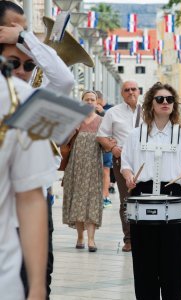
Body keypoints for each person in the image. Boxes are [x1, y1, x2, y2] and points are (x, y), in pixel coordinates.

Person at [0, 2, 74, 298]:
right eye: (12, 63)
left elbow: (65, 80)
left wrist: (23, 39)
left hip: (26, 221)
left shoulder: (32, 100)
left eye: (29, 65)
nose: (22, 71)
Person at [121, 82, 181, 300]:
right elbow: (126, 163)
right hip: (142, 193)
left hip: (172, 193)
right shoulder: (136, 134)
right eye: (160, 99)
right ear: (151, 104)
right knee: (144, 258)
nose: (165, 103)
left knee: (174, 258)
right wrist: (128, 176)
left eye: (169, 99)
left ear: (174, 105)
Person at [0, 66, 57, 299]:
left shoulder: (21, 98)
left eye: (27, 64)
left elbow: (31, 199)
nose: (21, 70)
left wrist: (36, 289)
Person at [97, 81, 142, 252]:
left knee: (145, 198)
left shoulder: (148, 110)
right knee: (126, 200)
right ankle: (129, 238)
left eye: (134, 89)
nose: (131, 92)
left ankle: (144, 236)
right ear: (122, 93)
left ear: (139, 91)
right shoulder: (113, 112)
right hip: (122, 161)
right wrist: (113, 148)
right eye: (127, 90)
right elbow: (101, 136)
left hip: (146, 161)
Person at [63, 90, 103, 252]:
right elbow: (63, 141)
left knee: (92, 200)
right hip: (76, 166)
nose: (89, 102)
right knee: (78, 200)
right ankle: (80, 237)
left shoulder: (102, 121)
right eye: (86, 99)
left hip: (93, 167)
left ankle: (91, 240)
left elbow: (106, 144)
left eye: (92, 99)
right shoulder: (75, 120)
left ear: (96, 102)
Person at [95, 90, 113, 208]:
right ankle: (102, 196)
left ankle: (105, 196)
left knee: (105, 170)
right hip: (99, 143)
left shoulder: (108, 110)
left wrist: (102, 112)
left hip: (105, 143)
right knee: (102, 171)